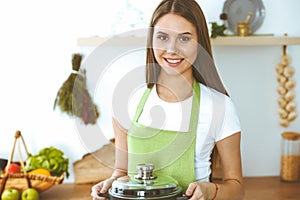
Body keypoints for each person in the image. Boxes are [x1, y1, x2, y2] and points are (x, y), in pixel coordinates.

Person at [91, 0, 244, 199]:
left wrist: (211, 190)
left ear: (200, 43)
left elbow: (237, 189)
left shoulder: (220, 106)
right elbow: (123, 173)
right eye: (163, 37)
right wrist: (111, 185)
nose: (171, 49)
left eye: (184, 39)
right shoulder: (127, 100)